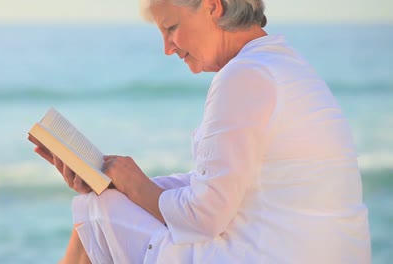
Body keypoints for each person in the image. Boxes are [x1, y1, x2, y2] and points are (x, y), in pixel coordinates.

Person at [35, 0, 371, 263]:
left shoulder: (244, 76)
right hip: (314, 250)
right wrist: (119, 185)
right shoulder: (280, 64)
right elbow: (226, 187)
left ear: (213, 6)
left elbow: (204, 217)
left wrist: (135, 187)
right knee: (103, 204)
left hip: (276, 254)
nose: (168, 47)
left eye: (172, 28)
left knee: (96, 214)